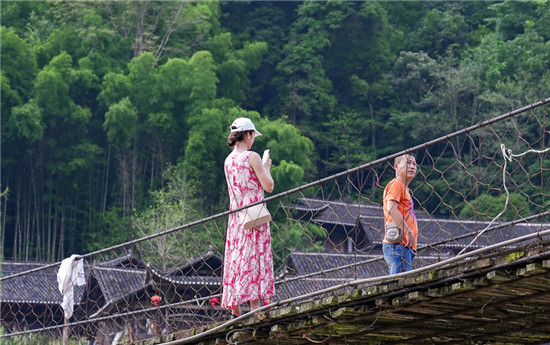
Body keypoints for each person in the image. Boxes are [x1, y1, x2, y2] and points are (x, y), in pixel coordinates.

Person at [221, 117, 275, 318]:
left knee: (236, 256)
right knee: (255, 255)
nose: (253, 139)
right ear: (247, 134)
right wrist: (266, 166)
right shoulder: (252, 157)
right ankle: (254, 307)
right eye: (253, 135)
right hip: (255, 212)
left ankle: (234, 307)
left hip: (236, 214)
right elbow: (268, 186)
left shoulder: (228, 160)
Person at [382, 154, 418, 275]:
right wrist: (408, 231)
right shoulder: (396, 184)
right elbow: (391, 208)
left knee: (402, 282)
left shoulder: (404, 188)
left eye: (414, 164)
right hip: (398, 244)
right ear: (396, 166)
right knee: (400, 284)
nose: (412, 166)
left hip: (403, 245)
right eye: (408, 163)